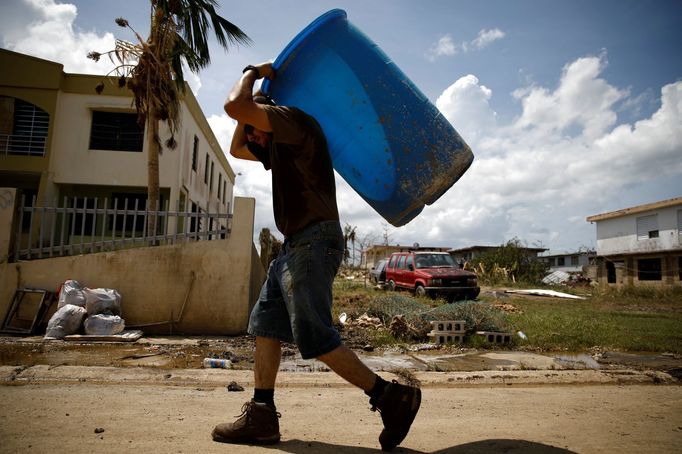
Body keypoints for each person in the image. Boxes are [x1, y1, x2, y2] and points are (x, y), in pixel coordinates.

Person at [211, 62, 421, 451]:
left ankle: (391, 397)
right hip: (293, 245)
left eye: (257, 124)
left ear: (272, 113)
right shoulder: (278, 143)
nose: (254, 136)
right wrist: (252, 120)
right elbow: (236, 147)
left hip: (313, 240)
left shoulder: (295, 123)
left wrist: (250, 73)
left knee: (314, 335)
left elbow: (234, 106)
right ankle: (261, 415)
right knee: (266, 326)